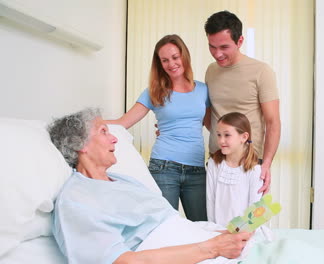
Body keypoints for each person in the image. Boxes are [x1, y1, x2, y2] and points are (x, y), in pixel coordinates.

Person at [48, 108, 251, 264]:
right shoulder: (76, 200)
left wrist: (221, 237)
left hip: (198, 244)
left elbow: (170, 223)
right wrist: (212, 248)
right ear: (79, 144)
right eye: (103, 132)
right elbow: (123, 261)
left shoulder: (123, 181)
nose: (115, 138)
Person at [108, 34, 210, 221]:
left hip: (196, 170)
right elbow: (123, 123)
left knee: (201, 227)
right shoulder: (154, 92)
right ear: (159, 64)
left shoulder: (204, 90)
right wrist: (93, 122)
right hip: (164, 167)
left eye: (175, 57)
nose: (171, 64)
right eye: (165, 60)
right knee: (165, 227)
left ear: (184, 56)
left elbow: (213, 125)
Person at [204, 11, 281, 195]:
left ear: (240, 42)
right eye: (212, 46)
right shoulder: (211, 71)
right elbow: (207, 116)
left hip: (250, 163)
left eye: (224, 47)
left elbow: (273, 123)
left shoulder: (261, 71)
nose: (217, 53)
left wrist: (266, 163)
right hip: (217, 161)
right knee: (217, 220)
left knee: (250, 220)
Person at [206, 112, 273, 241]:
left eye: (227, 135)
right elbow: (210, 201)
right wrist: (216, 233)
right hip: (218, 231)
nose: (221, 140)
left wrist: (235, 234)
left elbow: (255, 215)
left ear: (244, 137)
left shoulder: (255, 170)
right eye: (218, 135)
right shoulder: (214, 164)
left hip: (246, 233)